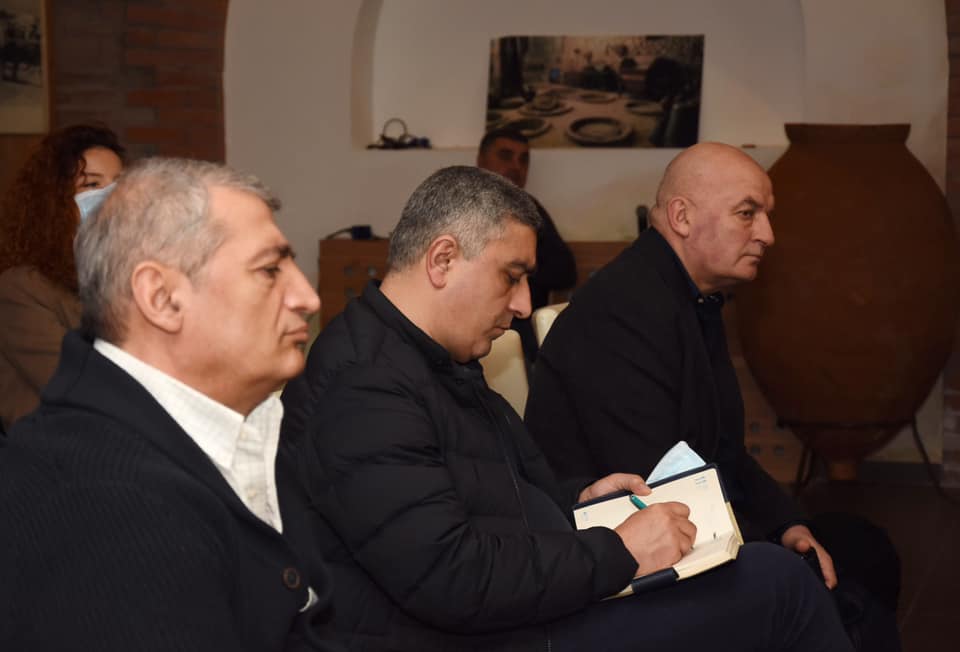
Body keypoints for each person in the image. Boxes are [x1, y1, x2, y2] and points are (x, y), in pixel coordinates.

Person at [278, 165, 852, 652]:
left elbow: (490, 495)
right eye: (512, 277)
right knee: (777, 583)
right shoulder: (365, 383)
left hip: (519, 608)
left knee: (765, 576)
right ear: (443, 259)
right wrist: (620, 549)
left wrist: (579, 501)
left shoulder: (431, 358)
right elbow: (450, 578)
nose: (524, 305)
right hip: (472, 634)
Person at [524, 143, 900, 649]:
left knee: (865, 548)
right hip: (621, 560)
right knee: (816, 583)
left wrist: (788, 525)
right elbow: (655, 484)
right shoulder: (621, 313)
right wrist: (770, 545)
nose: (767, 234)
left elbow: (725, 452)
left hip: (684, 518)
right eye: (748, 213)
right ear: (682, 217)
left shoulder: (688, 298)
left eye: (765, 215)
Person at [0, 158, 341, 651]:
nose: (307, 298)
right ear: (161, 299)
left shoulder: (244, 428)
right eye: (270, 270)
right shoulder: (105, 504)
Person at [0, 123, 124, 432]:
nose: (109, 196)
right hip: (59, 451)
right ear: (53, 201)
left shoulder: (120, 279)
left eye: (119, 184)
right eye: (92, 184)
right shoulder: (21, 289)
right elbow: (80, 383)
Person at [477, 128, 576, 361]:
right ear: (481, 159)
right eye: (505, 156)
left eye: (523, 160)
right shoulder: (457, 205)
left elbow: (565, 272)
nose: (516, 166)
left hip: (520, 328)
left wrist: (517, 272)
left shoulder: (528, 211)